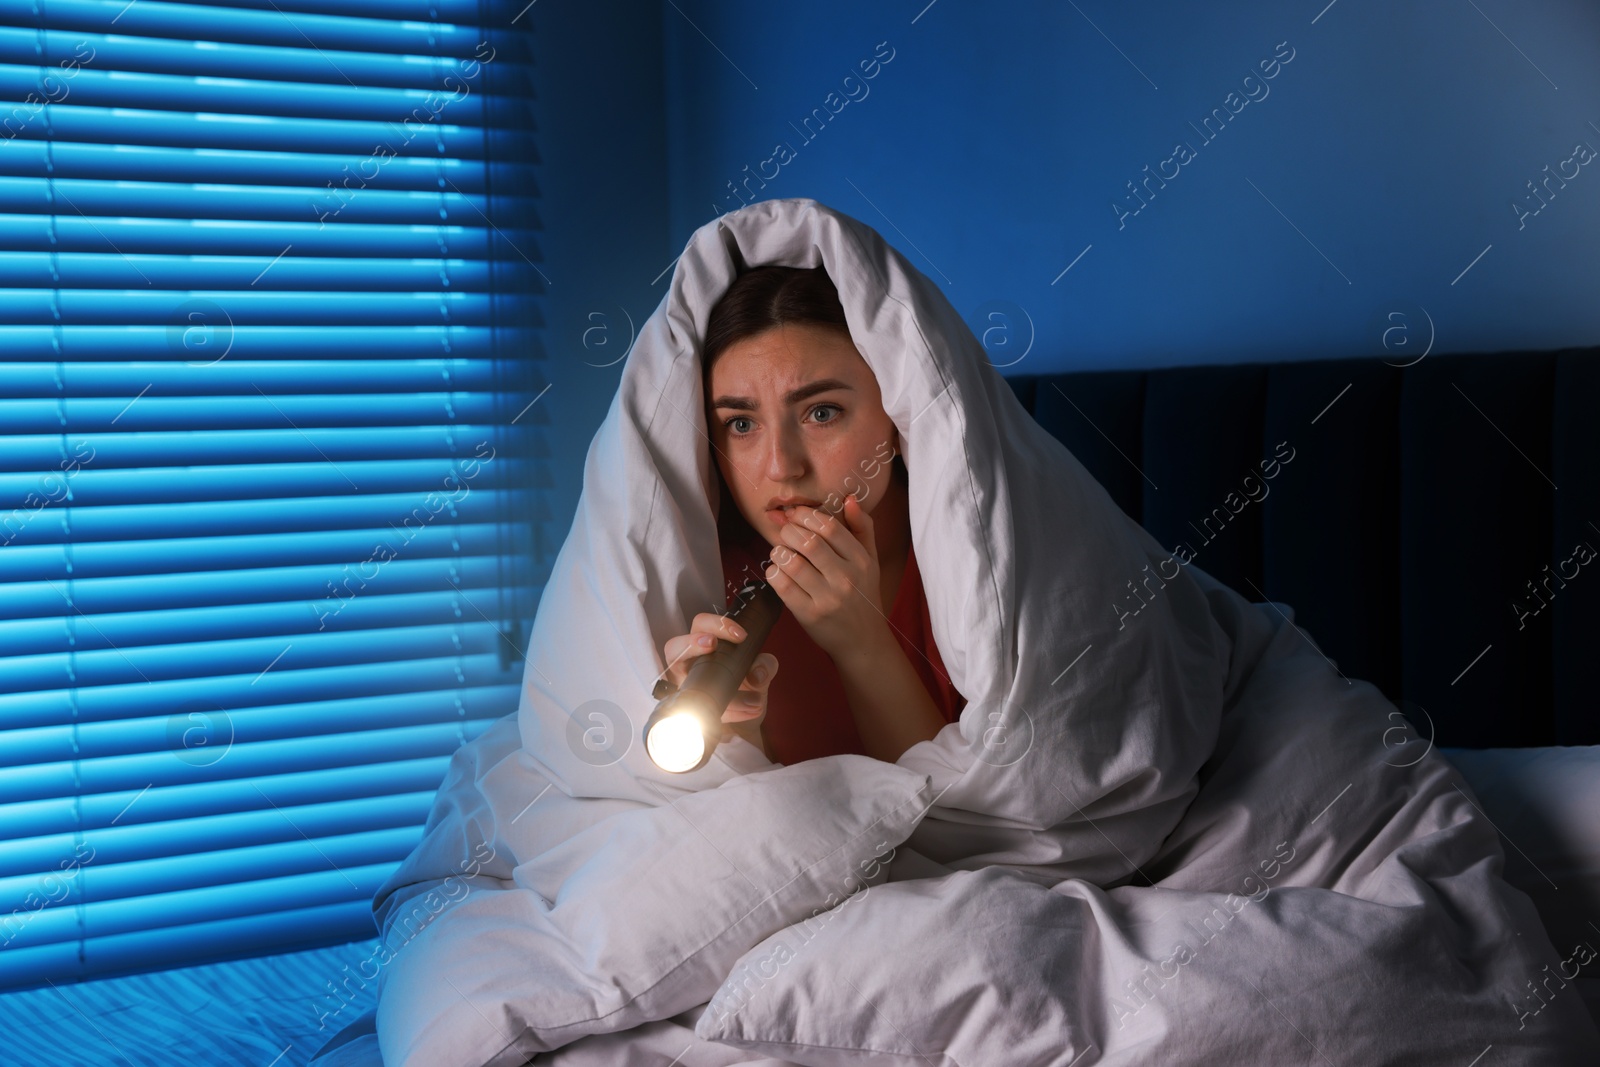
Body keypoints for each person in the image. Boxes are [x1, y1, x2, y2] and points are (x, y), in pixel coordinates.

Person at [656, 265, 966, 765]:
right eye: (740, 424)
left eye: (821, 413)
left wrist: (863, 644)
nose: (781, 467)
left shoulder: (975, 571)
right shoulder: (709, 586)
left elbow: (967, 820)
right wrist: (742, 742)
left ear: (899, 415)